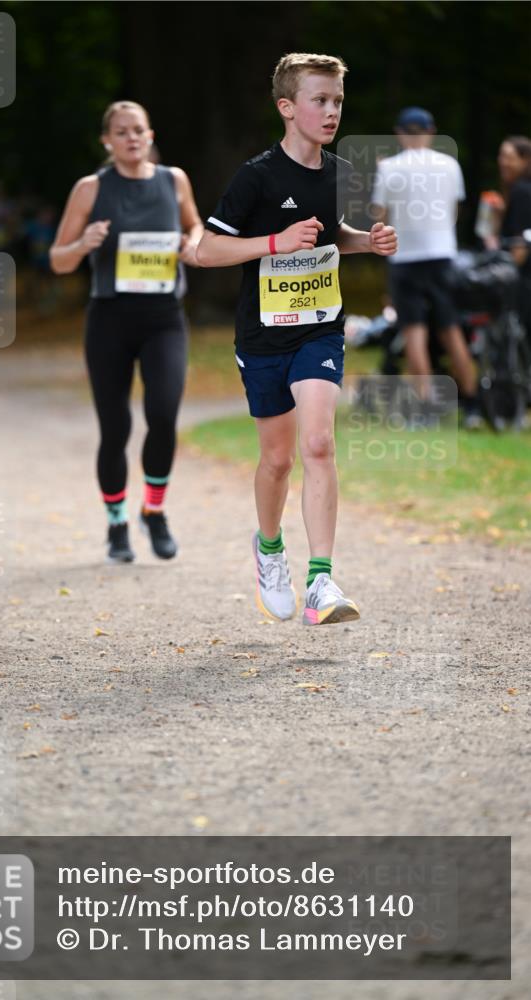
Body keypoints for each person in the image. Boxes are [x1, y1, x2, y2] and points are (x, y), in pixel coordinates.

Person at [197, 52, 397, 627]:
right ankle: (269, 550)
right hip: (263, 338)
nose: (332, 112)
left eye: (338, 101)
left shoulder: (340, 173)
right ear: (287, 107)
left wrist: (366, 242)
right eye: (320, 100)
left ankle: (321, 581)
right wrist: (274, 243)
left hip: (320, 330)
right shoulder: (256, 176)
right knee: (278, 460)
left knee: (319, 444)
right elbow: (206, 250)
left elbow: (330, 236)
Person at [50, 101, 203, 562]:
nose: (132, 138)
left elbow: (195, 225)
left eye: (138, 130)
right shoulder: (91, 188)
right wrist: (84, 244)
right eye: (121, 132)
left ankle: (153, 511)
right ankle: (116, 524)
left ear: (150, 135)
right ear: (107, 141)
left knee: (163, 414)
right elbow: (58, 260)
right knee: (115, 427)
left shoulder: (173, 180)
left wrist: (191, 243)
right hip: (110, 319)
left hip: (164, 319)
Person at [371, 107, 481, 426]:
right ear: (431, 131)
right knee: (451, 331)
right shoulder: (449, 165)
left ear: (399, 133)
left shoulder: (389, 168)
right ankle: (472, 406)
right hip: (442, 257)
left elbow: (380, 216)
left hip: (405, 260)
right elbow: (453, 211)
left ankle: (426, 410)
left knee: (414, 334)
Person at [497, 135, 531, 337]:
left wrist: (502, 275)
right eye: (501, 156)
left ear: (525, 160)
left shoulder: (521, 191)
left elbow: (520, 246)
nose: (503, 162)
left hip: (524, 283)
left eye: (509, 157)